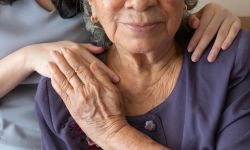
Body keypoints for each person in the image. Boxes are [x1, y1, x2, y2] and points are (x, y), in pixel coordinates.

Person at [0, 0, 241, 149]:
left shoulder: (229, 63)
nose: (139, 3)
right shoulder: (54, 93)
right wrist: (27, 58)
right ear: (92, 6)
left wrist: (217, 13)